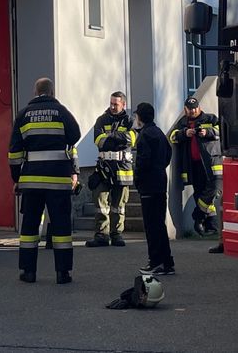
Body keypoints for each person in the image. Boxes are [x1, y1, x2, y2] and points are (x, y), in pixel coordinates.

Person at [9, 77, 82, 284]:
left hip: (31, 181)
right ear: (52, 92)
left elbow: (14, 152)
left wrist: (17, 178)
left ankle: (28, 272)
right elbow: (74, 136)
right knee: (61, 228)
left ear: (35, 92)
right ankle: (62, 273)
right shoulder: (62, 112)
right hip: (58, 180)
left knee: (30, 228)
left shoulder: (23, 115)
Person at [86, 91, 136, 248]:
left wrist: (111, 137)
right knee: (101, 202)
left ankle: (116, 234)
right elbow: (99, 141)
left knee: (119, 204)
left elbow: (131, 140)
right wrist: (117, 139)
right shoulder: (102, 119)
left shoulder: (130, 120)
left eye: (116, 104)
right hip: (103, 168)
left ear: (124, 105)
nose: (113, 106)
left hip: (122, 168)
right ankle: (101, 235)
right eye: (111, 103)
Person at [132, 102, 175, 276]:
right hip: (159, 182)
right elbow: (168, 154)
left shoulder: (144, 136)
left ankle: (156, 261)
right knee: (159, 224)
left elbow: (143, 161)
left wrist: (138, 179)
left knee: (152, 226)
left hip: (149, 185)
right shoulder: (158, 133)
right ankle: (166, 262)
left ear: (140, 117)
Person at [169, 97, 222, 238]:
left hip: (212, 163)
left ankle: (198, 216)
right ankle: (212, 224)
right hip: (193, 165)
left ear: (199, 107)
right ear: (185, 109)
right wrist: (184, 133)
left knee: (214, 189)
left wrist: (207, 132)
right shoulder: (182, 123)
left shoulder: (210, 118)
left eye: (195, 108)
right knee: (200, 192)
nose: (193, 111)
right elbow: (172, 137)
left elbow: (221, 131)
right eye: (190, 108)